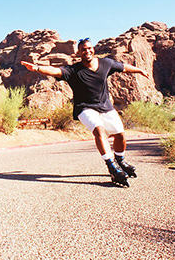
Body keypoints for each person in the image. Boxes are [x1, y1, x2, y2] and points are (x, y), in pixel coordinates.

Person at [21, 38, 150, 187]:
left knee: (120, 135)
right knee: (99, 131)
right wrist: (37, 68)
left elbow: (124, 67)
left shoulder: (106, 63)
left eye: (89, 48)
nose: (87, 51)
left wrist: (140, 70)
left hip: (105, 106)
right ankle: (111, 166)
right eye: (83, 49)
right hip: (85, 108)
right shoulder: (73, 70)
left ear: (93, 49)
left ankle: (120, 161)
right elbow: (56, 71)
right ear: (79, 52)